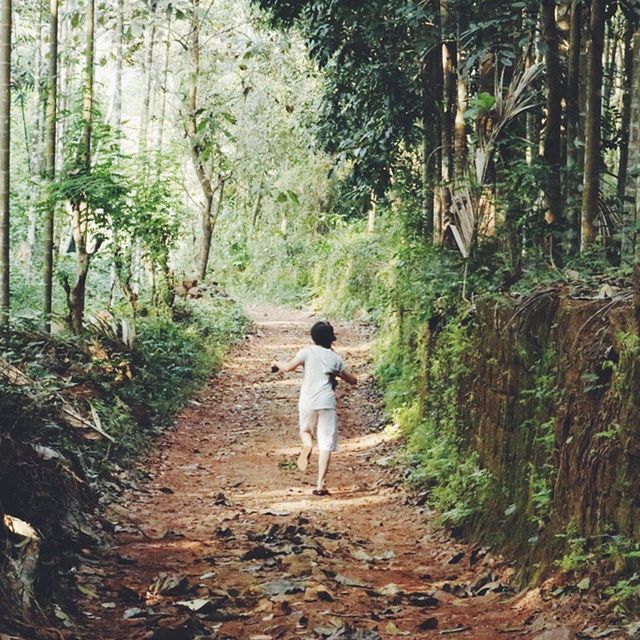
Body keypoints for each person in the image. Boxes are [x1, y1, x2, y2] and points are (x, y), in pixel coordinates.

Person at [271, 321, 357, 496]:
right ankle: (320, 485)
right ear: (332, 338)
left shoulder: (306, 352)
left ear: (313, 337)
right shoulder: (335, 358)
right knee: (326, 444)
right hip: (327, 403)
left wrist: (275, 363)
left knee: (306, 431)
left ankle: (307, 446)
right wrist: (337, 373)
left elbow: (287, 367)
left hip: (308, 401)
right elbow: (353, 380)